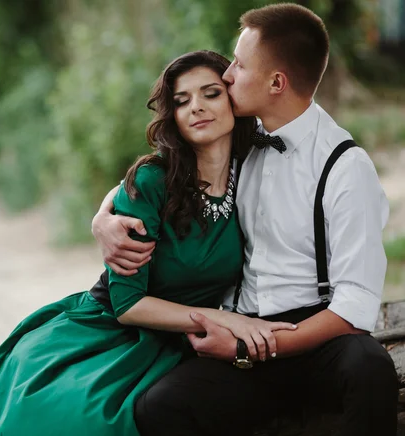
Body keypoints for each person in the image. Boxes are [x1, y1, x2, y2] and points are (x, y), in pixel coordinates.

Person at [92, 4, 399, 436]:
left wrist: (255, 345)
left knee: (370, 368)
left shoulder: (345, 167)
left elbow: (355, 307)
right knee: (161, 406)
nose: (228, 74)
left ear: (277, 82)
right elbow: (169, 174)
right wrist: (104, 217)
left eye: (239, 63)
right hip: (243, 333)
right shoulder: (240, 144)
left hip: (316, 336)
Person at [0, 50, 296, 436]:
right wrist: (225, 318)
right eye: (182, 101)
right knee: (77, 418)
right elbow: (127, 303)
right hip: (110, 331)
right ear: (171, 116)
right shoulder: (152, 181)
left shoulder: (254, 166)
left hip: (181, 339)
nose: (197, 108)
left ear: (233, 99)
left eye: (211, 94)